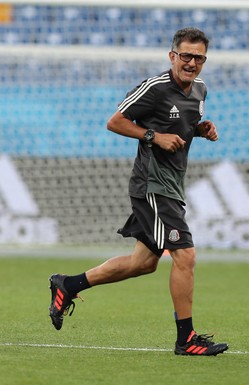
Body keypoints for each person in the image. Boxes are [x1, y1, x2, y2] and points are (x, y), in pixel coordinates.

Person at [48, 27, 228, 357]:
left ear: (204, 60)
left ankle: (68, 285)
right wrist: (153, 137)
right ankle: (186, 339)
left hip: (172, 186)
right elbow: (115, 121)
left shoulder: (200, 90)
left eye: (198, 57)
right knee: (185, 255)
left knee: (143, 263)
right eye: (185, 55)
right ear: (172, 56)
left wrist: (199, 131)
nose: (191, 62)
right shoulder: (155, 87)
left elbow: (182, 127)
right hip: (151, 186)